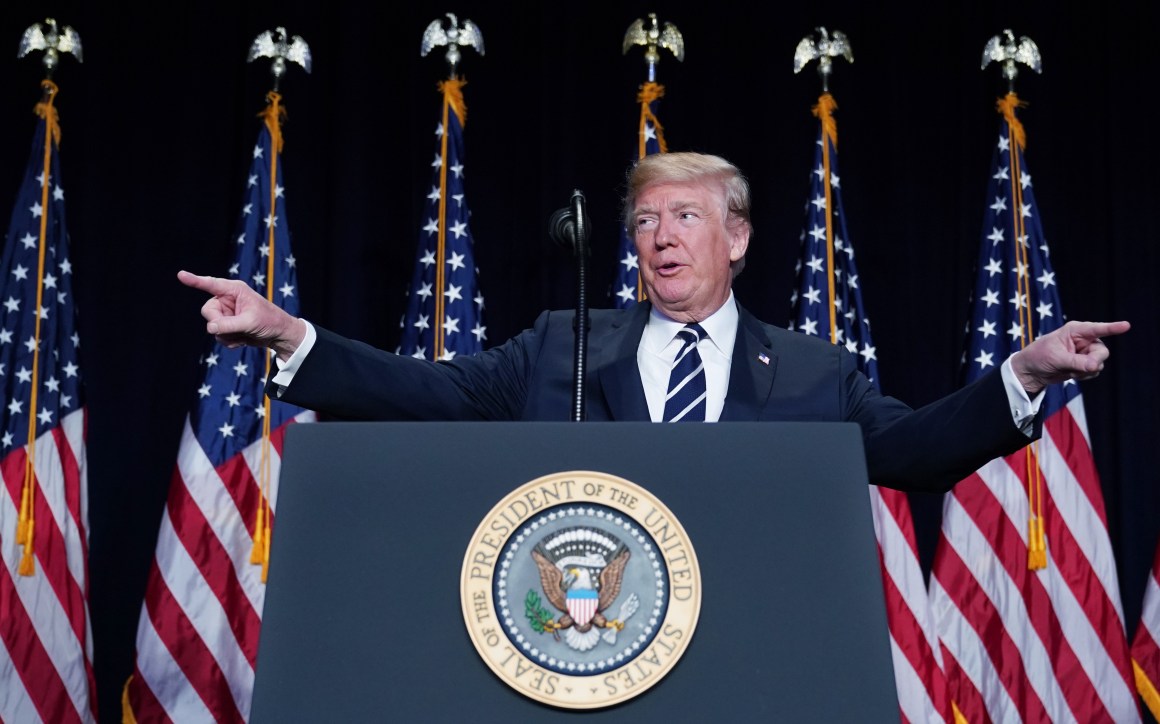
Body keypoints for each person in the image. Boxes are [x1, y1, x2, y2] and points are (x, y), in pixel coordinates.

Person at [178, 152, 1128, 492]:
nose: (660, 237)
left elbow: (916, 453)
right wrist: (283, 333)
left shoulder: (812, 372)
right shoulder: (563, 343)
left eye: (685, 217)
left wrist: (1026, 374)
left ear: (739, 237)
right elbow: (427, 393)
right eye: (644, 221)